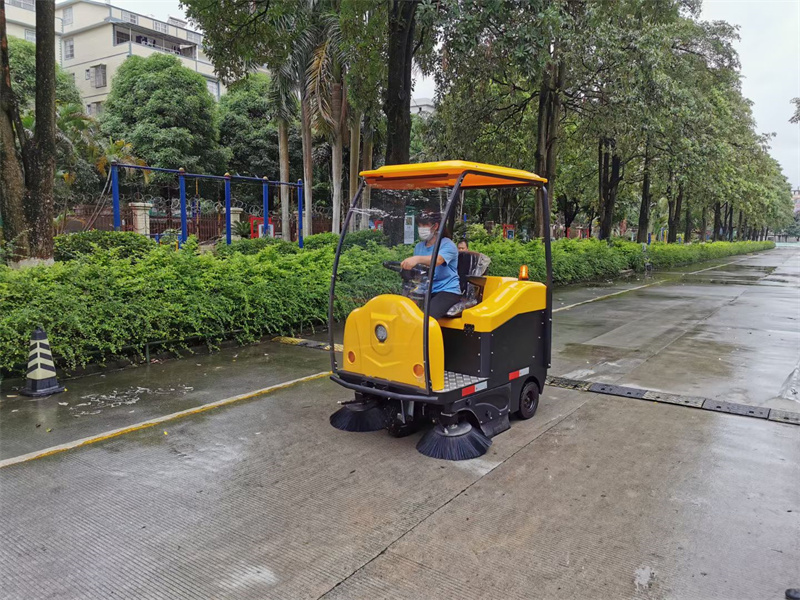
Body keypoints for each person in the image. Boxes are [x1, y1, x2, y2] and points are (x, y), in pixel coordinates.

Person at [401, 212, 462, 319]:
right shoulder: (419, 247)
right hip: (425, 290)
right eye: (419, 225)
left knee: (427, 318)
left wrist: (417, 259)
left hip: (447, 291)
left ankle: (426, 335)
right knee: (404, 313)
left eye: (424, 225)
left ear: (436, 226)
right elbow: (418, 271)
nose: (421, 228)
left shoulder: (447, 244)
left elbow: (437, 260)